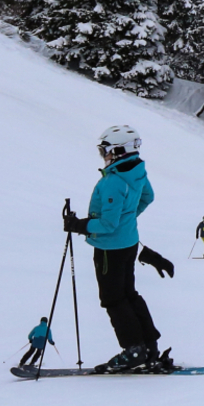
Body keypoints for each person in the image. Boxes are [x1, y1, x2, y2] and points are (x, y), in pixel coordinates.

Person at [63, 123, 170, 373]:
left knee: (113, 298)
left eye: (106, 150)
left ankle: (134, 350)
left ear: (119, 150)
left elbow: (109, 224)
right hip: (128, 243)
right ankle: (148, 346)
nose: (104, 155)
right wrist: (128, 219)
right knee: (128, 294)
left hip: (110, 248)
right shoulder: (136, 172)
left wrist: (79, 225)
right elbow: (147, 197)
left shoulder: (114, 181)